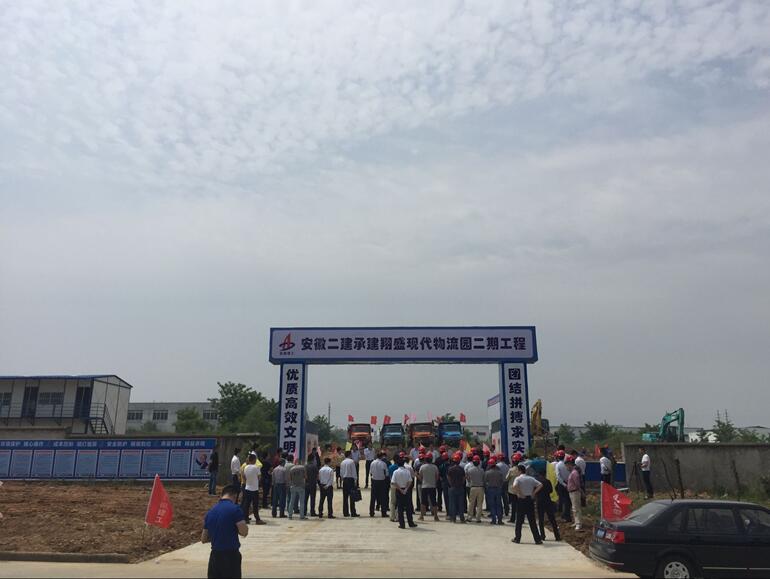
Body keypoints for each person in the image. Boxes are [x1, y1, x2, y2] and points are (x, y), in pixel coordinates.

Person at [202, 485, 248, 579]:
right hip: (230, 556)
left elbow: (203, 539)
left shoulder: (210, 512)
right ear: (235, 496)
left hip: (215, 557)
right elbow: (244, 532)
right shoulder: (235, 509)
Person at [511, 464, 543, 545]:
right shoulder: (531, 478)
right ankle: (537, 539)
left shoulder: (518, 478)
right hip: (529, 499)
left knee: (519, 521)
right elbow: (540, 485)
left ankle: (517, 538)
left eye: (517, 470)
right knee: (532, 520)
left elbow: (514, 486)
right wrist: (534, 493)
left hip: (521, 500)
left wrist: (520, 493)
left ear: (520, 471)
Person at [534, 470, 561, 541]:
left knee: (541, 519)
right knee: (552, 519)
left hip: (540, 501)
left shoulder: (537, 482)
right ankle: (557, 536)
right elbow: (551, 491)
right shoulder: (548, 481)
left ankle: (542, 535)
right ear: (545, 474)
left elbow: (534, 491)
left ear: (539, 474)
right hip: (548, 501)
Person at [392, 459, 418, 529]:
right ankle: (410, 523)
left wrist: (400, 490)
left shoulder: (395, 472)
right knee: (408, 507)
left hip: (399, 490)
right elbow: (410, 481)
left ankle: (402, 524)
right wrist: (406, 489)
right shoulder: (407, 471)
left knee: (400, 508)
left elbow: (394, 482)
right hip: (407, 490)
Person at [240, 453, 265, 525]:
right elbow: (259, 477)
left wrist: (247, 482)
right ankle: (257, 519)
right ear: (254, 460)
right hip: (254, 489)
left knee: (246, 504)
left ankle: (246, 519)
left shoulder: (245, 467)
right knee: (255, 505)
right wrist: (256, 482)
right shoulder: (256, 467)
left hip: (247, 488)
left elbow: (243, 477)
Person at [418, 454, 440, 522]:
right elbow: (437, 477)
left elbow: (420, 477)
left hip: (424, 486)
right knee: (434, 502)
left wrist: (423, 481)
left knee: (423, 502)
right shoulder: (435, 467)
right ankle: (436, 516)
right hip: (432, 486)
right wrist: (434, 482)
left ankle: (421, 516)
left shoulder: (422, 467)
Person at [484, 457, 505, 525]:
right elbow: (502, 481)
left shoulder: (487, 473)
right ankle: (500, 520)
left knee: (492, 505)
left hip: (490, 489)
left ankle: (493, 520)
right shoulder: (499, 472)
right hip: (498, 489)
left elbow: (485, 482)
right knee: (498, 505)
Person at [447, 452, 466, 523]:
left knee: (452, 503)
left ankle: (453, 518)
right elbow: (464, 478)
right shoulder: (461, 469)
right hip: (460, 487)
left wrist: (451, 484)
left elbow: (448, 478)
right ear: (459, 461)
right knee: (461, 504)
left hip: (452, 488)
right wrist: (461, 483)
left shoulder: (450, 469)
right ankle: (462, 518)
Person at [369, 451, 389, 517]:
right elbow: (386, 474)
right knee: (383, 497)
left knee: (373, 497)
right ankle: (383, 512)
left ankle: (371, 512)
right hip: (381, 481)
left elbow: (370, 473)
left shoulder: (372, 463)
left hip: (374, 481)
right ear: (382, 456)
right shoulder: (383, 464)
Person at [566, 455, 583, 530]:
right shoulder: (572, 472)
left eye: (567, 465)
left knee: (576, 508)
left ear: (570, 464)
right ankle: (576, 522)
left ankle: (579, 523)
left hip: (575, 492)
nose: (566, 467)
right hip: (572, 492)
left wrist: (581, 491)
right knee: (574, 508)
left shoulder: (574, 473)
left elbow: (577, 484)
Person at [466, 455, 485, 523]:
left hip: (473, 487)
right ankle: (478, 518)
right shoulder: (482, 470)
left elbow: (468, 479)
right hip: (481, 488)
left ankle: (469, 517)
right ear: (479, 462)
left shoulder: (469, 470)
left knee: (471, 503)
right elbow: (483, 479)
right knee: (479, 504)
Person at [340, 450, 359, 517]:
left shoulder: (342, 462)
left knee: (345, 497)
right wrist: (355, 480)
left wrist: (343, 479)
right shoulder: (351, 461)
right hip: (350, 480)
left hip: (345, 480)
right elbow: (354, 472)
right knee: (352, 497)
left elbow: (341, 473)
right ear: (350, 455)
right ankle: (353, 512)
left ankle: (345, 512)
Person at [554, 451, 572, 522]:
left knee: (564, 501)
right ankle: (566, 515)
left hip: (562, 484)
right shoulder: (567, 464)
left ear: (557, 457)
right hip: (569, 483)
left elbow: (558, 477)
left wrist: (564, 485)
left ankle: (565, 516)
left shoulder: (558, 465)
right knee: (568, 500)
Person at [506, 451, 522, 524]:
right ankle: (520, 519)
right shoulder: (521, 470)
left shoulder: (511, 470)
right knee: (519, 505)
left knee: (513, 505)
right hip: (519, 489)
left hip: (512, 489)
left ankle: (513, 519)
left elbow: (506, 478)